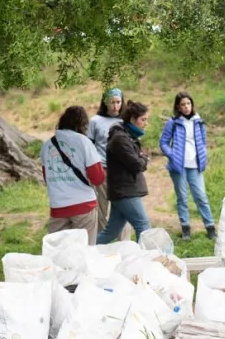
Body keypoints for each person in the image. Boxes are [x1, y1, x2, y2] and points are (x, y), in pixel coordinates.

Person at [41, 106, 106, 245]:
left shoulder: (47, 145)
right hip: (83, 205)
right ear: (82, 124)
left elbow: (47, 178)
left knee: (57, 252)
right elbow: (97, 178)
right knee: (85, 251)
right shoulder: (84, 142)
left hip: (58, 205)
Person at [159, 92, 216, 241]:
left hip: (195, 166)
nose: (186, 107)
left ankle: (210, 227)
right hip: (178, 166)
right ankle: (186, 228)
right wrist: (172, 155)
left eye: (188, 104)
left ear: (192, 105)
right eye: (183, 104)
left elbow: (203, 142)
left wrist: (203, 155)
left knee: (201, 197)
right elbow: (163, 142)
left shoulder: (198, 122)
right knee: (182, 198)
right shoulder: (173, 122)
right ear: (178, 106)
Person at [98, 101, 152, 243]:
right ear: (132, 119)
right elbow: (136, 165)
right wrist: (144, 158)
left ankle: (85, 253)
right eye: (143, 119)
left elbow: (137, 161)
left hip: (122, 190)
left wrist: (141, 158)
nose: (146, 123)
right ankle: (145, 261)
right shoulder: (120, 139)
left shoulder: (127, 136)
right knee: (143, 225)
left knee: (111, 232)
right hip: (125, 191)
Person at [88, 89, 125, 233]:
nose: (115, 106)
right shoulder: (95, 121)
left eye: (118, 102)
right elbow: (89, 146)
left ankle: (123, 241)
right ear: (105, 102)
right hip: (102, 168)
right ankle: (101, 240)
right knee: (101, 205)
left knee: (123, 205)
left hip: (121, 170)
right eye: (112, 102)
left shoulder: (125, 121)